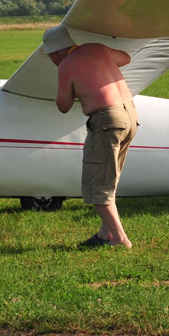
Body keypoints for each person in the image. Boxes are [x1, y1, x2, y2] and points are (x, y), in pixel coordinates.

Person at [43, 24, 139, 248]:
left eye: (50, 56)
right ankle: (106, 234)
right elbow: (125, 58)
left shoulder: (65, 65)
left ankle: (120, 240)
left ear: (57, 52)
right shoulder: (97, 48)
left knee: (97, 187)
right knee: (109, 181)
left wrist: (76, 86)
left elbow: (63, 105)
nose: (51, 60)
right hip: (130, 115)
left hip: (107, 121)